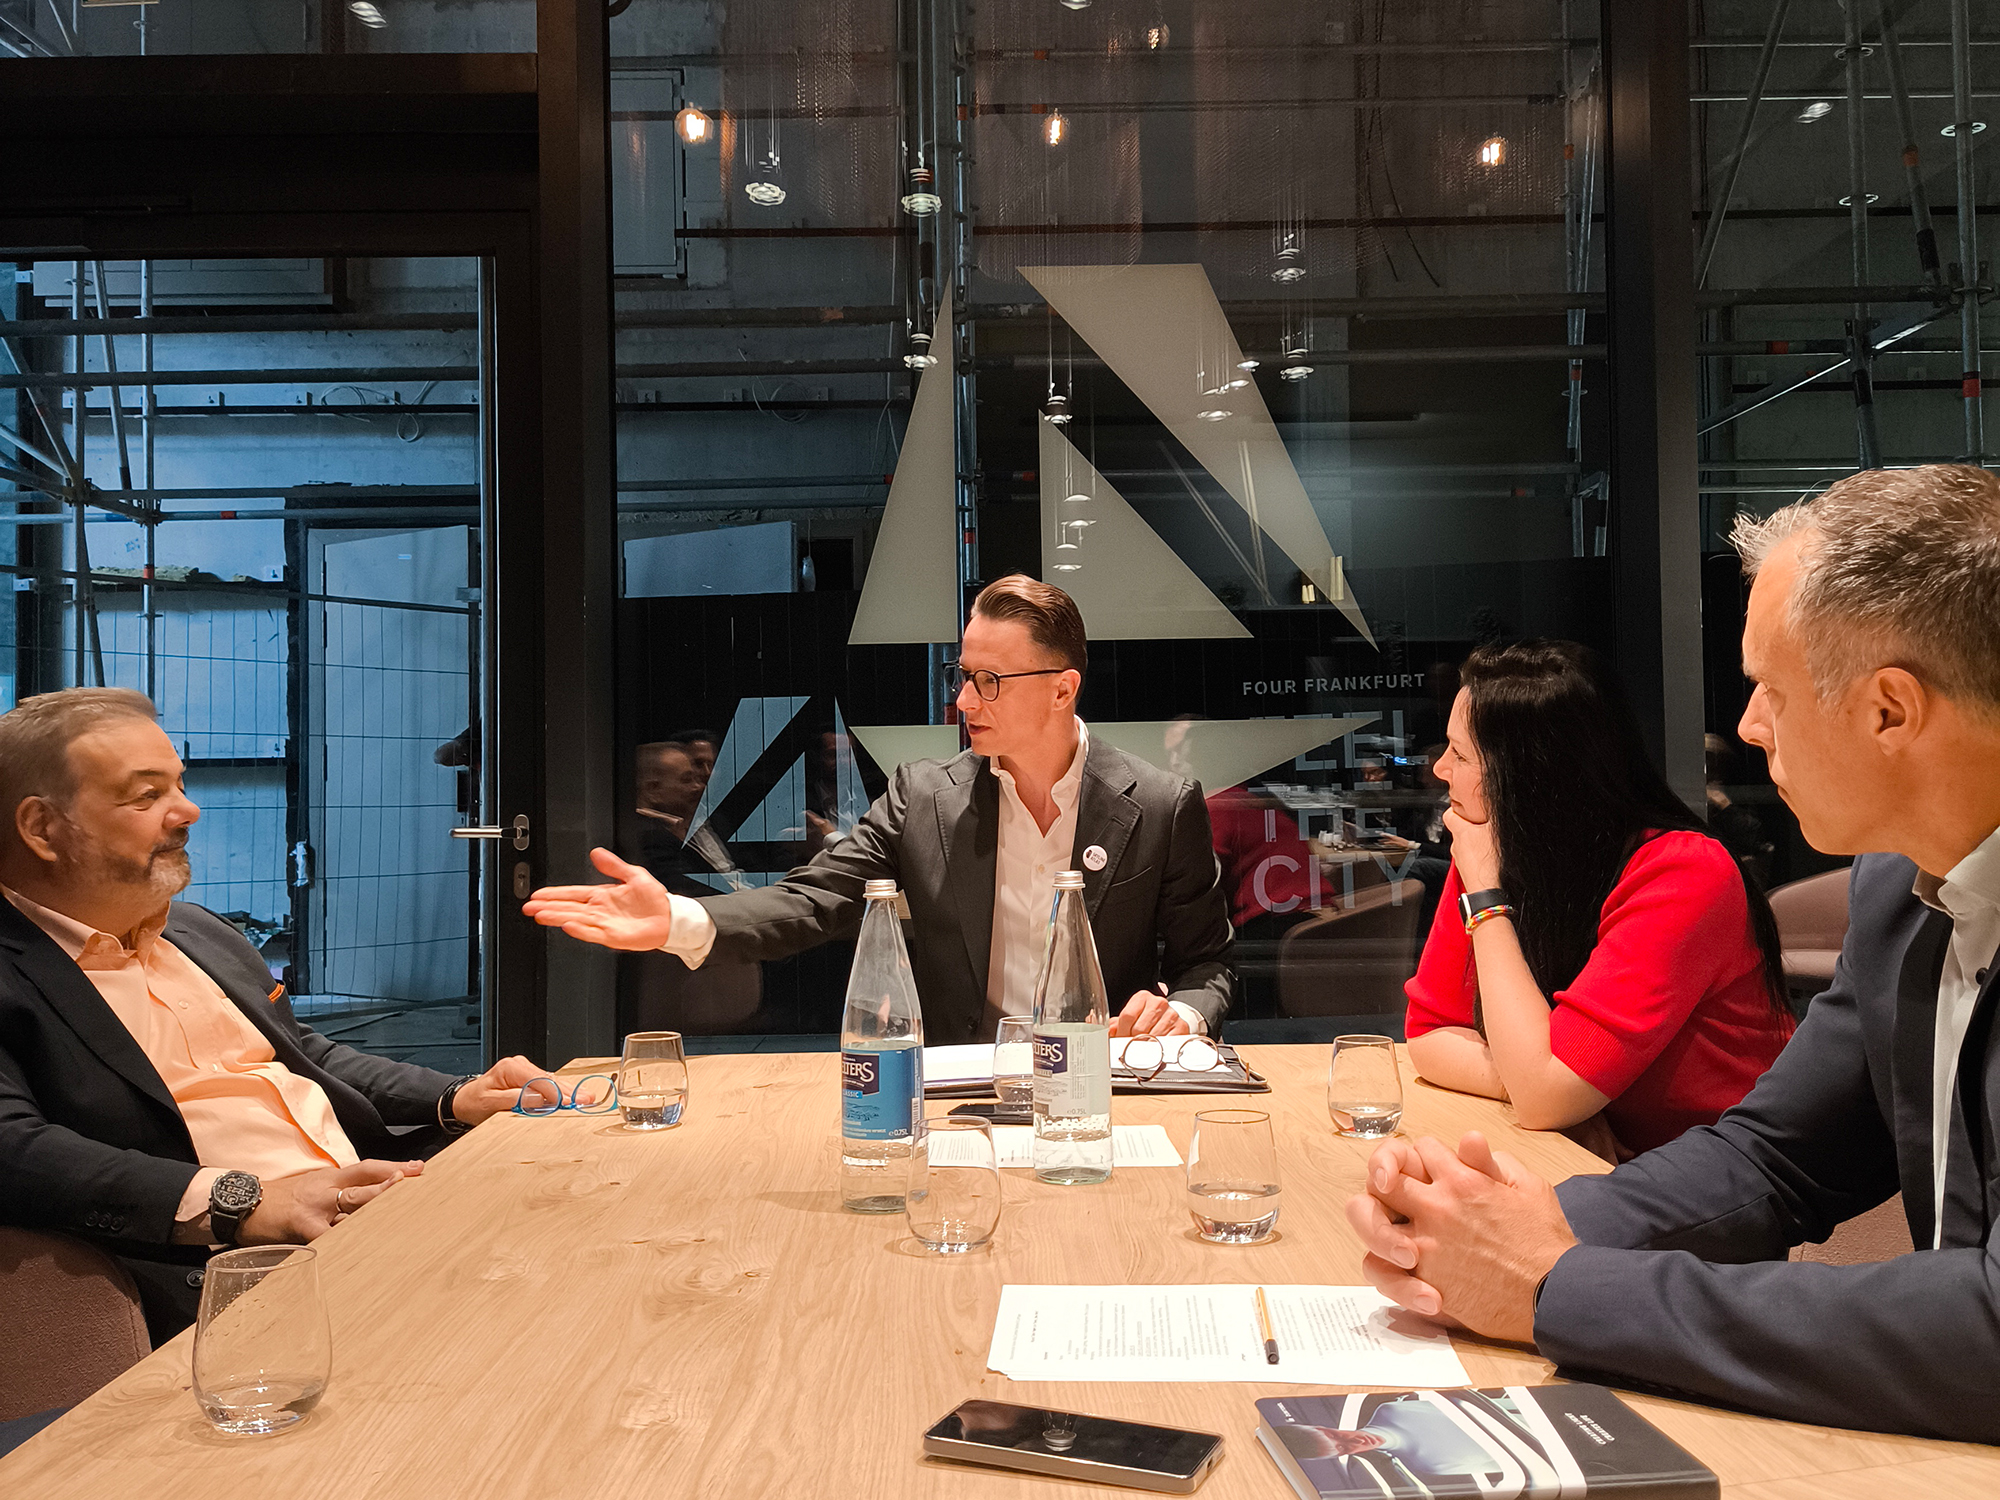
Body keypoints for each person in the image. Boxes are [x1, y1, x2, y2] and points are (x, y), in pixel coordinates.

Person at [1346, 464, 2000, 1443]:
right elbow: (1775, 1159)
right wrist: (1509, 1220)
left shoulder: (1694, 867)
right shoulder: (1897, 887)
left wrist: (1555, 1280)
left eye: (1770, 691)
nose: (1745, 727)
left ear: (1888, 711)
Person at [0, 688, 553, 1342]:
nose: (189, 811)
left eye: (179, 784)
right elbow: (16, 1149)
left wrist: (457, 1098)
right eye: (146, 796)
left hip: (377, 1208)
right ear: (41, 828)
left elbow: (304, 1055)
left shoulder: (198, 931)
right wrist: (246, 1203)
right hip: (229, 1280)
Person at [526, 575, 1234, 1043]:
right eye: (963, 677)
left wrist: (1183, 1014)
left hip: (1107, 1092)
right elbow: (813, 901)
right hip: (964, 1091)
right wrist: (681, 920)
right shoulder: (925, 798)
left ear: (1061, 690)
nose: (962, 702)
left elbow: (1211, 967)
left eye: (989, 681)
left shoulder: (1161, 805)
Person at [1405, 640, 1793, 1157]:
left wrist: (1553, 1091)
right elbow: (1428, 1034)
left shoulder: (1682, 871)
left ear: (1527, 774)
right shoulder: (1490, 845)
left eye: (1460, 754)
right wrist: (1546, 1089)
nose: (1440, 770)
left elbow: (1544, 1096)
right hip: (1585, 1160)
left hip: (1711, 1173)